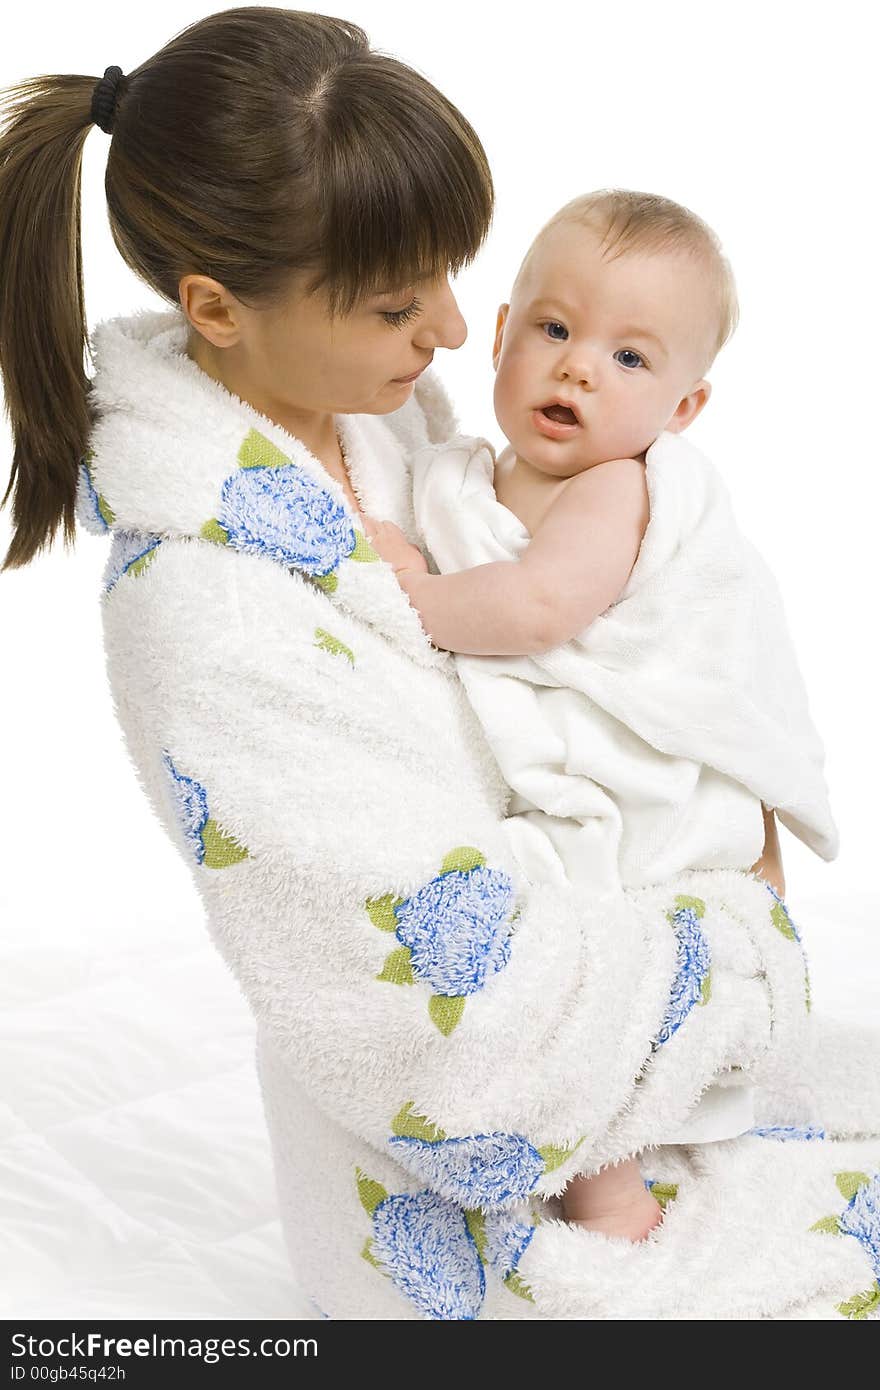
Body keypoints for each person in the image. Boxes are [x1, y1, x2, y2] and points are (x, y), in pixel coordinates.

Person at [0, 9, 869, 1322]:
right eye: (404, 303)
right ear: (217, 308)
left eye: (453, 279)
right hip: (479, 1208)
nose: (463, 332)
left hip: (637, 1022)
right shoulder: (213, 613)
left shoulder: (387, 420)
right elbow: (440, 1040)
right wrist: (736, 943)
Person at [365, 190, 838, 1241]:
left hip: (635, 789)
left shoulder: (615, 489)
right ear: (499, 337)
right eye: (554, 329)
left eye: (631, 358)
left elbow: (538, 608)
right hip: (549, 759)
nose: (579, 366)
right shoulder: (466, 474)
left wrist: (402, 590)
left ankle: (605, 1182)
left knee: (583, 950)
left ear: (682, 409)